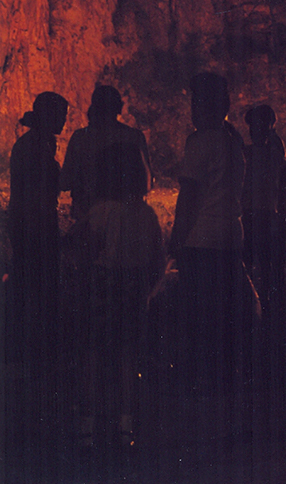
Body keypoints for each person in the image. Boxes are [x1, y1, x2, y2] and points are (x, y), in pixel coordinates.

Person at [168, 72, 254, 397]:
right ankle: (229, 377)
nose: (192, 108)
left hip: (200, 239)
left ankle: (199, 381)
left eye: (195, 100)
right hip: (230, 235)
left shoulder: (200, 141)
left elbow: (190, 194)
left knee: (198, 314)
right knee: (227, 313)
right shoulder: (232, 139)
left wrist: (177, 236)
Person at [73, 143, 164, 450]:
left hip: (101, 287)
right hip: (134, 287)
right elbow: (157, 260)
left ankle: (88, 424)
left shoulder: (99, 213)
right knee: (128, 356)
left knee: (93, 354)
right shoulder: (147, 214)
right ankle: (126, 423)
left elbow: (83, 251)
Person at [5, 91, 69, 475]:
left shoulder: (34, 143)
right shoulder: (34, 147)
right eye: (59, 114)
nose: (63, 120)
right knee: (36, 288)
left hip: (31, 224)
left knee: (32, 288)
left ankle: (29, 350)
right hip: (34, 226)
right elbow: (42, 191)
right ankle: (32, 353)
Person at [60, 85, 151, 223]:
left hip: (89, 216)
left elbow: (66, 180)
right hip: (126, 217)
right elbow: (146, 181)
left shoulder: (80, 138)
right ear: (118, 108)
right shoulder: (134, 136)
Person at [242, 104, 286, 303]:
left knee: (254, 258)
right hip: (265, 212)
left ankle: (259, 298)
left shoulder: (247, 154)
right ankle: (271, 297)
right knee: (268, 261)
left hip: (255, 212)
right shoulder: (272, 152)